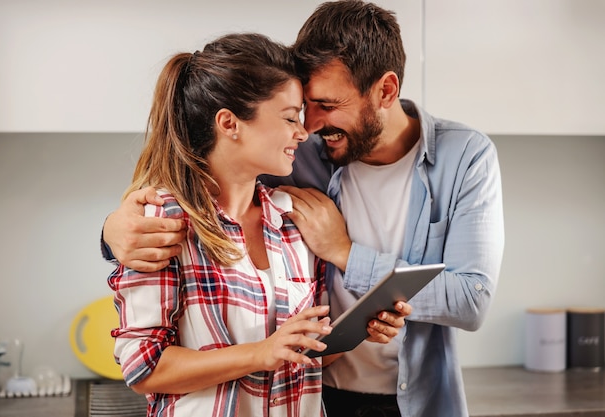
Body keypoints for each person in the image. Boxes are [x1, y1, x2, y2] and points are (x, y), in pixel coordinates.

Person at [103, 1, 505, 416]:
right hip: (327, 396)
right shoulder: (294, 161)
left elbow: (470, 300)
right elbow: (204, 182)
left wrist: (347, 265)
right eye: (299, 111)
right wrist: (112, 231)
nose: (309, 127)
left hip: (414, 399)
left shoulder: (464, 158)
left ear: (385, 90)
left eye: (326, 106)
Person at [106, 31, 410, 417]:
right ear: (229, 123)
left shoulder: (293, 220)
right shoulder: (166, 222)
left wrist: (358, 332)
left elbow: (301, 358)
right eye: (289, 117)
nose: (303, 131)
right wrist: (260, 353)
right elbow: (144, 366)